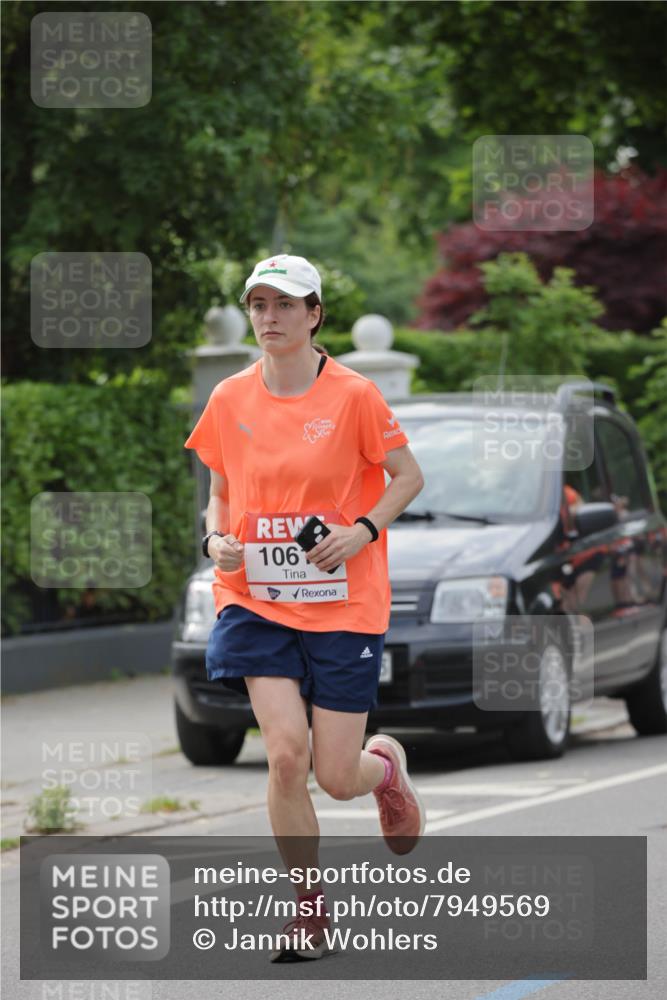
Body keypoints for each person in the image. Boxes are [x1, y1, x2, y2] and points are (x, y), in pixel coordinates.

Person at [184, 253, 426, 963]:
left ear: (315, 314)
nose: (269, 318)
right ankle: (310, 914)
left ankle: (383, 767)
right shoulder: (229, 398)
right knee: (286, 758)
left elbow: (406, 476)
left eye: (285, 305)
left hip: (344, 601)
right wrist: (215, 539)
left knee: (334, 776)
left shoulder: (353, 396)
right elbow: (222, 490)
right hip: (256, 600)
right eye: (258, 305)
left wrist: (362, 530)